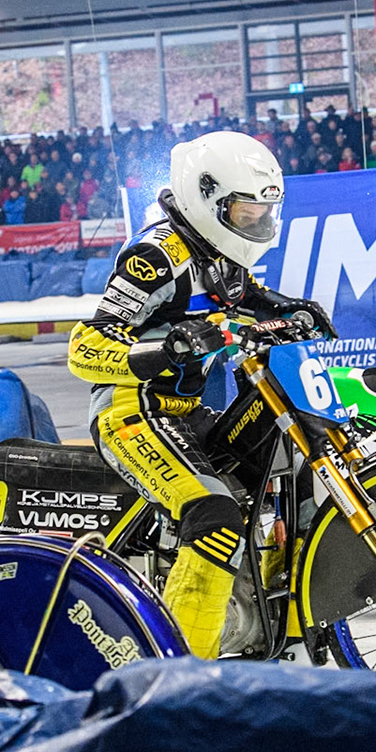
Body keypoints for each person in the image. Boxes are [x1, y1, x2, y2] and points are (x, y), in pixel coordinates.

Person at [67, 130, 332, 658]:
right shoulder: (155, 257)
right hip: (131, 411)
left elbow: (247, 295)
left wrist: (289, 308)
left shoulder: (220, 252)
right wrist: (168, 350)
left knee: (297, 470)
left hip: (187, 412)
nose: (257, 223)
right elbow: (84, 347)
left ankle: (281, 627)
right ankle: (179, 670)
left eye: (264, 213)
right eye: (246, 213)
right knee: (216, 521)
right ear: (207, 199)